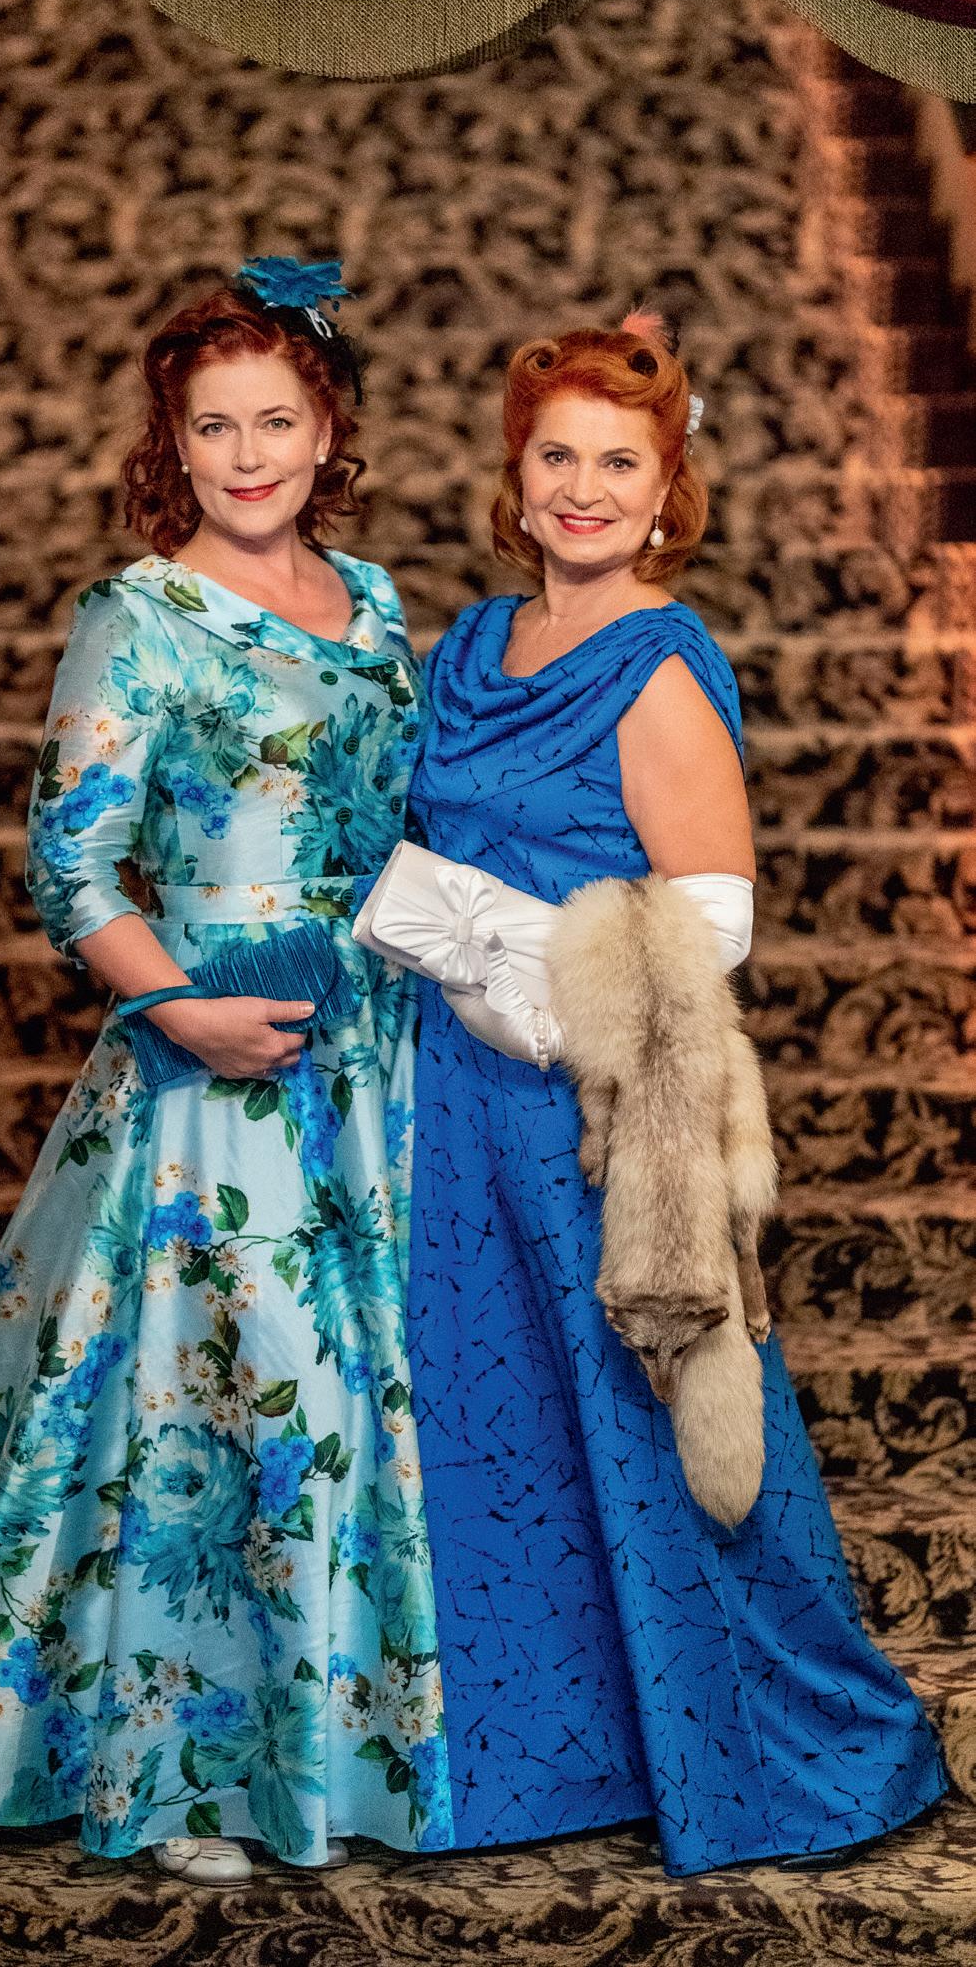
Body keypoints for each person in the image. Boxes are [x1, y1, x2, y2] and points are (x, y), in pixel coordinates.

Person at [0, 260, 449, 1884]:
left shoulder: (377, 602)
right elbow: (70, 863)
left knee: (361, 1400)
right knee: (226, 1401)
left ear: (328, 429)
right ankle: (187, 1770)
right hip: (210, 1060)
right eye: (213, 427)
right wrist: (180, 1010)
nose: (247, 455)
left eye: (276, 421)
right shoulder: (137, 615)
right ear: (170, 443)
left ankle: (355, 1744)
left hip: (372, 1048)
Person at [403, 314, 947, 1876]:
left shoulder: (655, 665)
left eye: (617, 463)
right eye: (555, 455)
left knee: (643, 1421)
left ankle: (775, 1753)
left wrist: (525, 980)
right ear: (514, 472)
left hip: (592, 1111)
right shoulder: (468, 645)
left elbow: (711, 923)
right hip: (451, 1103)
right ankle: (546, 1756)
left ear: (665, 491)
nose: (581, 489)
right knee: (497, 1432)